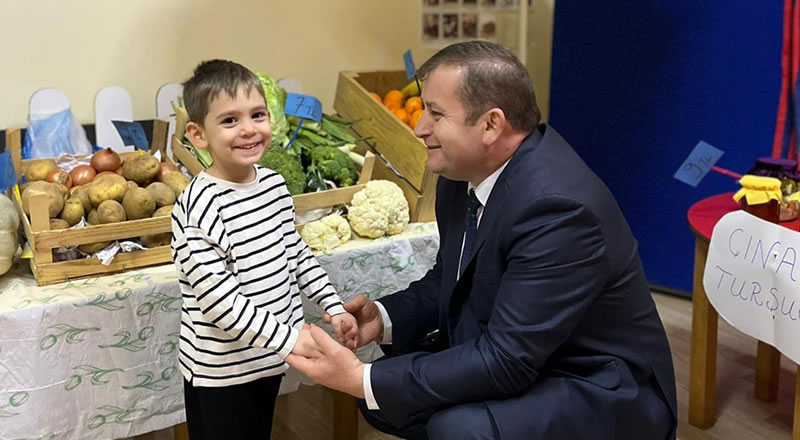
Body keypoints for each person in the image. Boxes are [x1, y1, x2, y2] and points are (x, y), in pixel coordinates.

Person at [287, 41, 677, 440]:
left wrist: (359, 377)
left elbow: (508, 359)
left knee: (453, 427)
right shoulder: (462, 176)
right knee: (388, 399)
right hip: (531, 353)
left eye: (436, 114)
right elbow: (450, 279)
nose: (420, 128)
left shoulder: (558, 209)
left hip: (593, 380)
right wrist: (384, 319)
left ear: (491, 124)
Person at [171, 59, 357, 440]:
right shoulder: (199, 205)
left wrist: (332, 306)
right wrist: (289, 339)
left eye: (257, 115)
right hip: (220, 372)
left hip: (267, 359)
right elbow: (218, 301)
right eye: (229, 121)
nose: (249, 130)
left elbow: (297, 255)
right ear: (197, 134)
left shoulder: (273, 185)